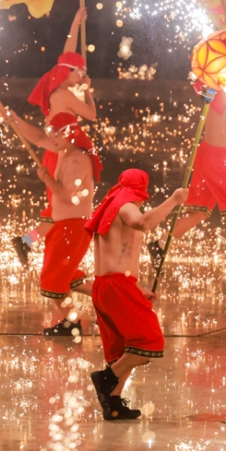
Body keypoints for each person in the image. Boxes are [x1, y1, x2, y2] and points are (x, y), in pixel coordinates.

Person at [84, 169, 186, 420]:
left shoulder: (110, 205)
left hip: (106, 285)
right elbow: (142, 223)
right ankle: (105, 379)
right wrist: (174, 200)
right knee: (148, 341)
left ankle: (113, 404)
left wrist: (136, 288)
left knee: (122, 349)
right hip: (116, 286)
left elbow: (115, 258)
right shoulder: (125, 204)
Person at [149, 81, 226, 282]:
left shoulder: (219, 90)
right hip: (220, 160)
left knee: (199, 211)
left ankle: (160, 245)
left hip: (208, 153)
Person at [3, 109, 100, 336]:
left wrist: (46, 177)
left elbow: (67, 195)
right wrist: (14, 119)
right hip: (64, 225)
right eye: (52, 134)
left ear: (70, 134)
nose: (53, 139)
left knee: (54, 279)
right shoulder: (65, 150)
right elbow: (37, 138)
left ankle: (71, 323)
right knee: (64, 276)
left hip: (74, 226)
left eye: (57, 134)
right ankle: (109, 302)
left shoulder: (78, 159)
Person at [12, 8, 94, 266]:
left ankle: (30, 241)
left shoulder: (57, 86)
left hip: (59, 150)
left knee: (60, 206)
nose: (81, 74)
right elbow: (91, 115)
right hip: (60, 152)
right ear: (69, 72)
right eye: (78, 71)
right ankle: (28, 241)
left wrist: (75, 22)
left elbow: (66, 57)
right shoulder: (66, 95)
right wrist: (88, 91)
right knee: (62, 206)